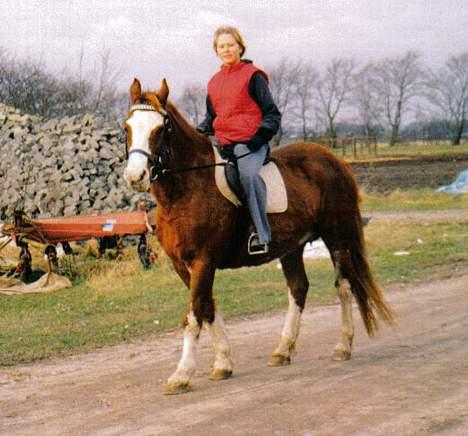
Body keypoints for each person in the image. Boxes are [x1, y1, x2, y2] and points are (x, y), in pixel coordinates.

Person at [197, 26, 281, 255]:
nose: (226, 50)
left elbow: (272, 114)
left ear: (240, 47)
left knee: (247, 175)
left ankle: (261, 235)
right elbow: (211, 118)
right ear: (216, 50)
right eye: (221, 46)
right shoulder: (214, 82)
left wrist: (258, 139)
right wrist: (197, 133)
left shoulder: (253, 76)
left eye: (230, 45)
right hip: (224, 145)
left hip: (250, 144)